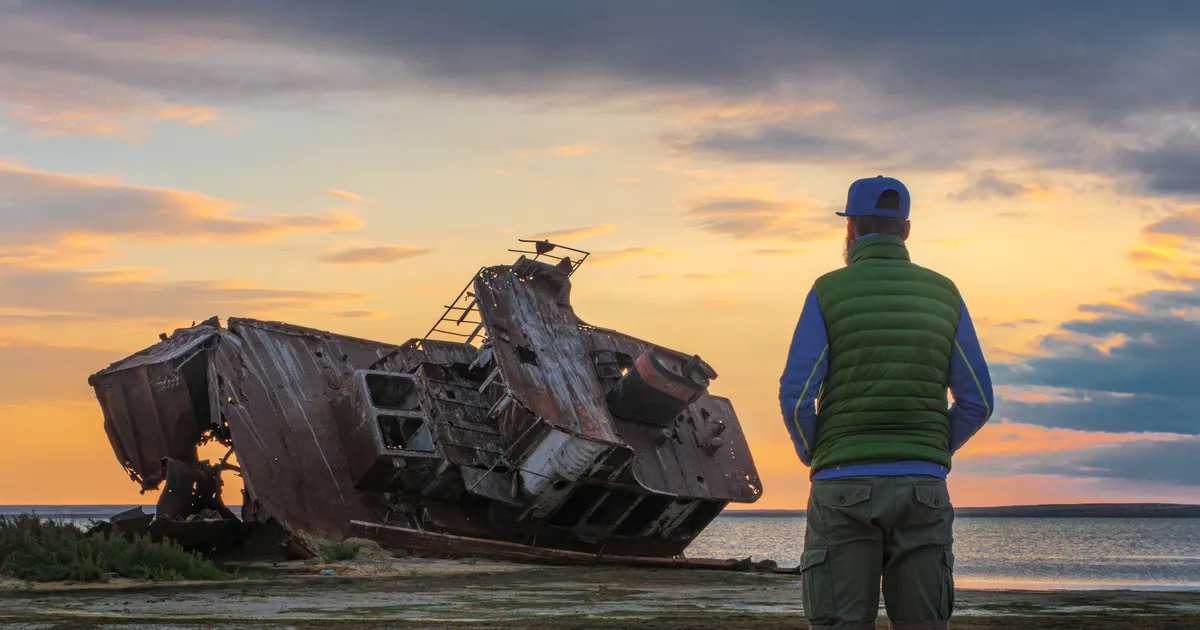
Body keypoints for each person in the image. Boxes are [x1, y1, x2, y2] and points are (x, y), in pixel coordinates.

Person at [779, 175, 994, 630]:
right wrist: (929, 450)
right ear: (907, 231)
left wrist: (816, 453)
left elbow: (797, 395)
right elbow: (977, 401)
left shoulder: (827, 291)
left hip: (841, 485)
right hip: (922, 485)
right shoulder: (944, 294)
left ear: (851, 229)